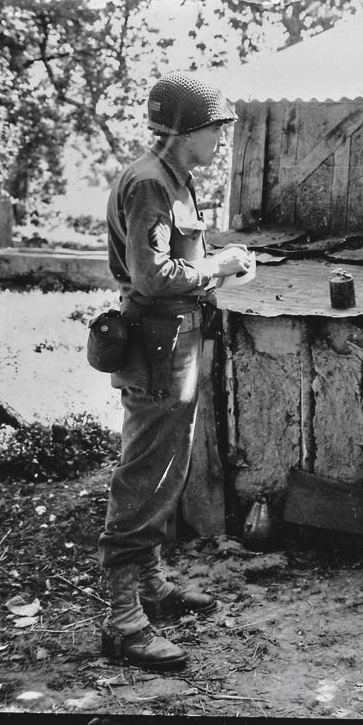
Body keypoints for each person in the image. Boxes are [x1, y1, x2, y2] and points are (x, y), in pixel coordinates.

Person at [97, 71, 253, 671]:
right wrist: (222, 264)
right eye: (215, 131)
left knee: (166, 470)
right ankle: (123, 622)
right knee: (145, 475)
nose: (220, 142)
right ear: (187, 130)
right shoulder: (149, 185)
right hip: (158, 347)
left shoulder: (171, 178)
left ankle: (153, 586)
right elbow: (151, 276)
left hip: (175, 340)